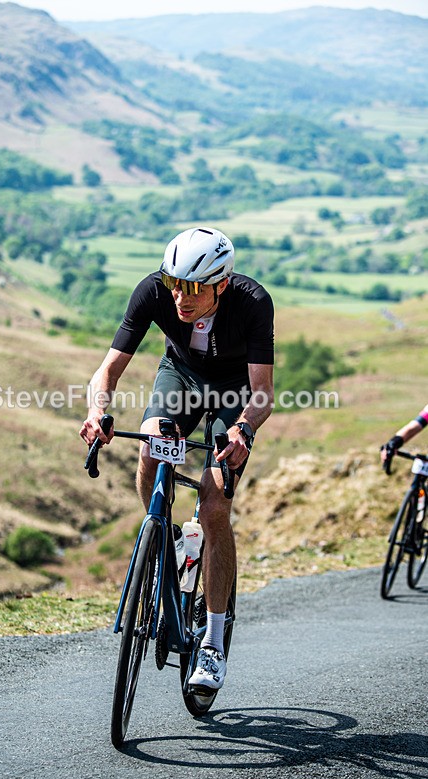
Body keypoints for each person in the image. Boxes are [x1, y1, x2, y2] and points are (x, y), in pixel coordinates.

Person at [80, 227, 274, 691]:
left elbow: (263, 392)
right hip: (181, 377)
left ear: (221, 285)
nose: (180, 299)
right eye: (174, 284)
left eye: (193, 288)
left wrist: (243, 429)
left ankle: (212, 640)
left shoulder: (252, 302)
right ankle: (160, 535)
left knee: (213, 506)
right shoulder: (154, 290)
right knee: (150, 448)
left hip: (234, 391)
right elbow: (108, 369)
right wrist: (97, 411)